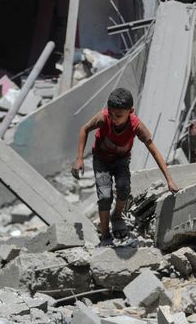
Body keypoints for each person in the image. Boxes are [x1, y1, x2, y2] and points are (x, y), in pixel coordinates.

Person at [72, 87, 179, 244]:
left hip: (121, 160)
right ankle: (106, 234)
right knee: (105, 196)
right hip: (102, 160)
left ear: (131, 111)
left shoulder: (136, 126)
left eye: (119, 116)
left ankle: (117, 216)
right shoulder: (104, 117)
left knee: (124, 188)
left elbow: (154, 151)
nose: (114, 118)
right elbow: (84, 129)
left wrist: (169, 179)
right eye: (112, 113)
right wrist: (79, 159)